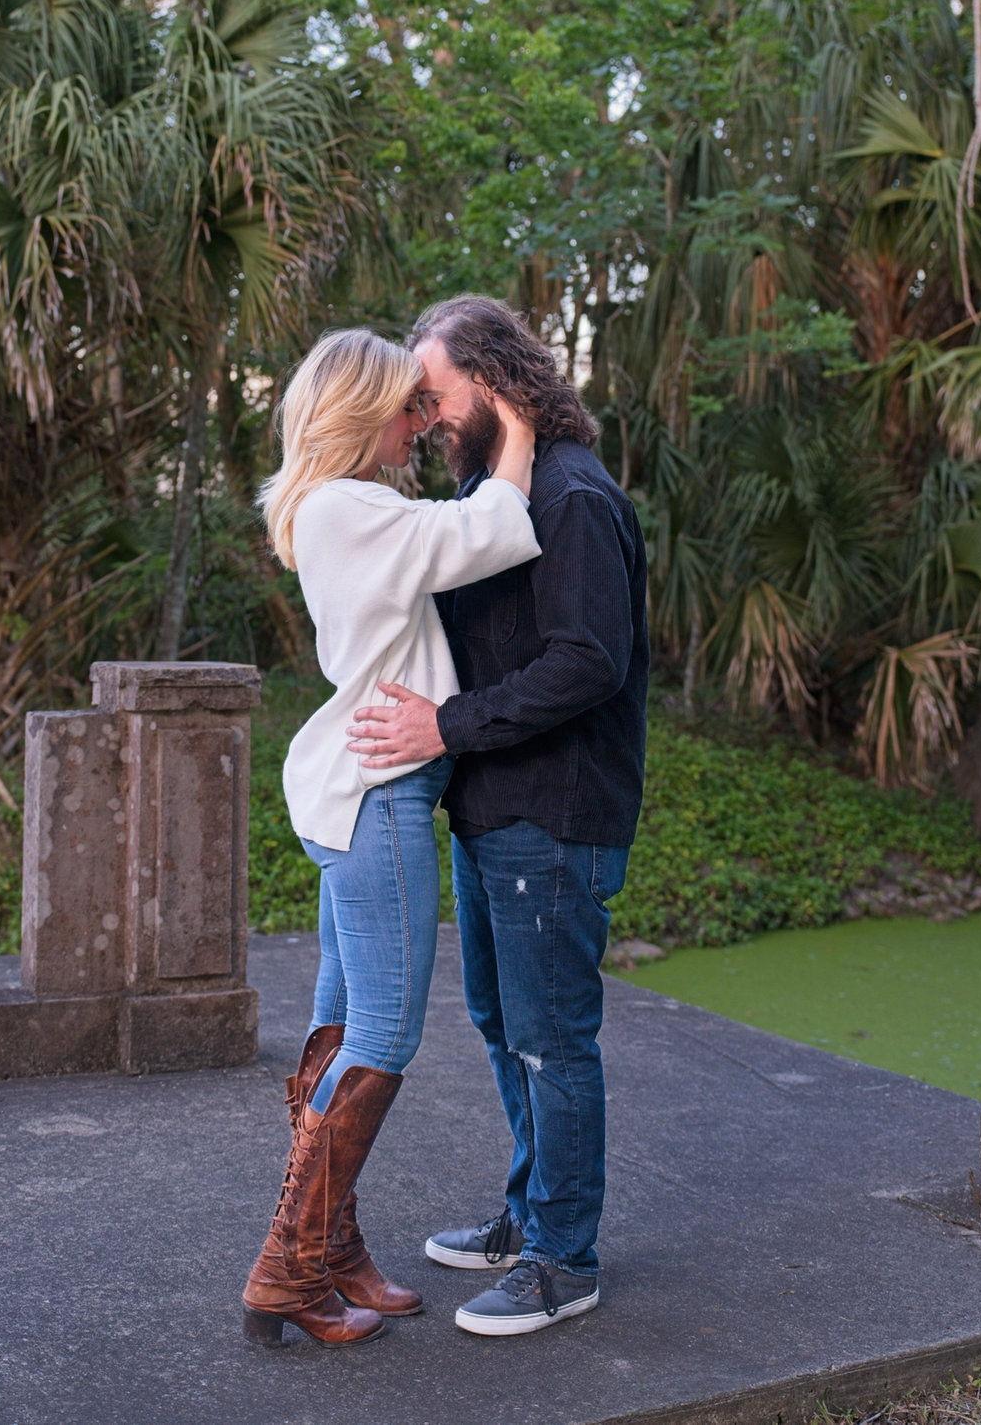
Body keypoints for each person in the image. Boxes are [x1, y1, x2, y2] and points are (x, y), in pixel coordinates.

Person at [344, 294, 650, 1338]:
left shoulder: (568, 498)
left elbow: (585, 660)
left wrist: (443, 724)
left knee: (549, 1040)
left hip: (553, 811)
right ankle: (527, 1216)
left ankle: (564, 1256)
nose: (423, 415)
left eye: (432, 394)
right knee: (501, 1024)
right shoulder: (498, 491)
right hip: (495, 808)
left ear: (495, 380)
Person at [241, 326, 542, 1347]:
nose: (423, 422)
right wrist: (517, 429)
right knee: (381, 1037)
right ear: (364, 410)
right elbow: (491, 530)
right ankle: (286, 1263)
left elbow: (451, 545)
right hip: (383, 795)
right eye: (410, 406)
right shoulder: (344, 507)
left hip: (368, 790)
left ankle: (325, 1250)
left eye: (429, 405)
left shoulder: (352, 506)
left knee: (335, 1031)